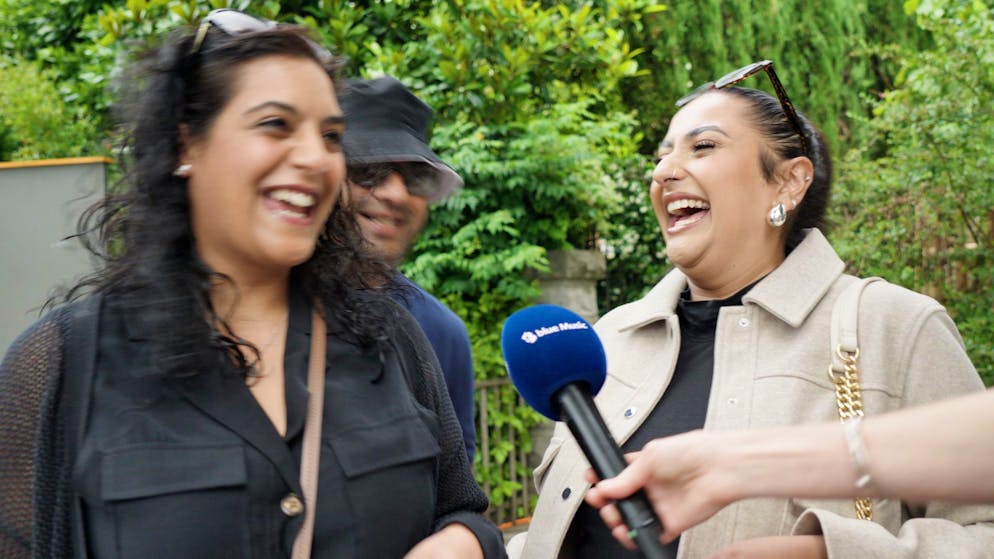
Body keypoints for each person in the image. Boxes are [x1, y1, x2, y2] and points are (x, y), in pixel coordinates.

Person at [0, 9, 504, 559]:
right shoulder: (62, 365)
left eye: (332, 135)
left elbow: (464, 510)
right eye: (274, 124)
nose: (315, 158)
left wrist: (462, 544)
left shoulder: (392, 337)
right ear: (187, 145)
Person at [506, 59, 994, 559]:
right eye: (662, 155)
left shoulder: (894, 326)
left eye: (704, 146)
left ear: (788, 182)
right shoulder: (611, 335)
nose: (663, 172)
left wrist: (829, 552)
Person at [584, 387, 994, 549]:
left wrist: (839, 553)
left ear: (789, 192)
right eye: (650, 188)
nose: (660, 192)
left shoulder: (899, 320)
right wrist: (720, 468)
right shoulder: (612, 334)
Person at [340, 76, 477, 462]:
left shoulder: (439, 332)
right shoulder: (261, 310)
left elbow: (456, 485)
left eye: (415, 176)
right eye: (369, 170)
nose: (396, 194)